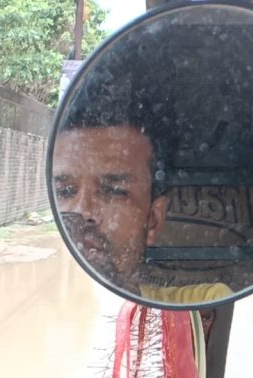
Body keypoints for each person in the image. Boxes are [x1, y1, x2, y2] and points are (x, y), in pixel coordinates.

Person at [52, 81, 232, 305]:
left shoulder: (202, 304)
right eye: (65, 191)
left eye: (113, 192)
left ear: (153, 220)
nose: (83, 211)